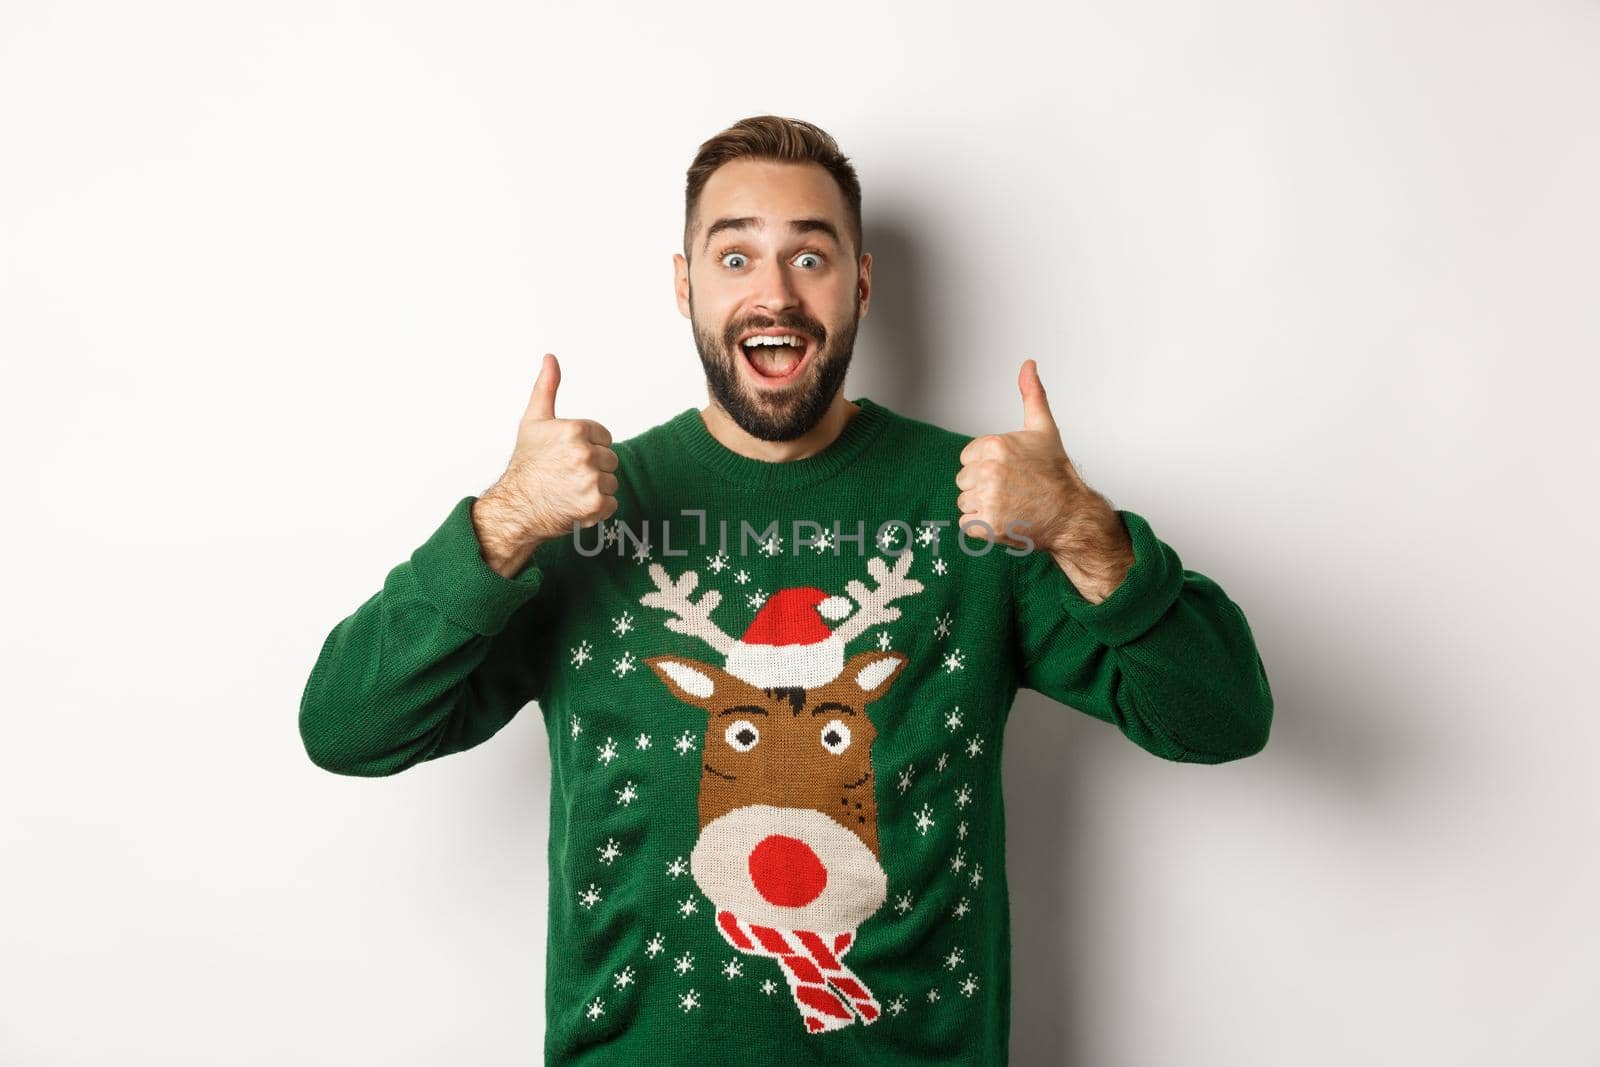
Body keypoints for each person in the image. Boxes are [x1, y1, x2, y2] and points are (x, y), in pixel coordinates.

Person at [299, 114, 1273, 1065]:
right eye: (734, 258)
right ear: (684, 287)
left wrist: (1082, 531)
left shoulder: (980, 506)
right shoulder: (577, 512)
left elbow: (1222, 714)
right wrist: (501, 523)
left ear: (860, 282)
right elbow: (347, 727)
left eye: (809, 256)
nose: (774, 292)